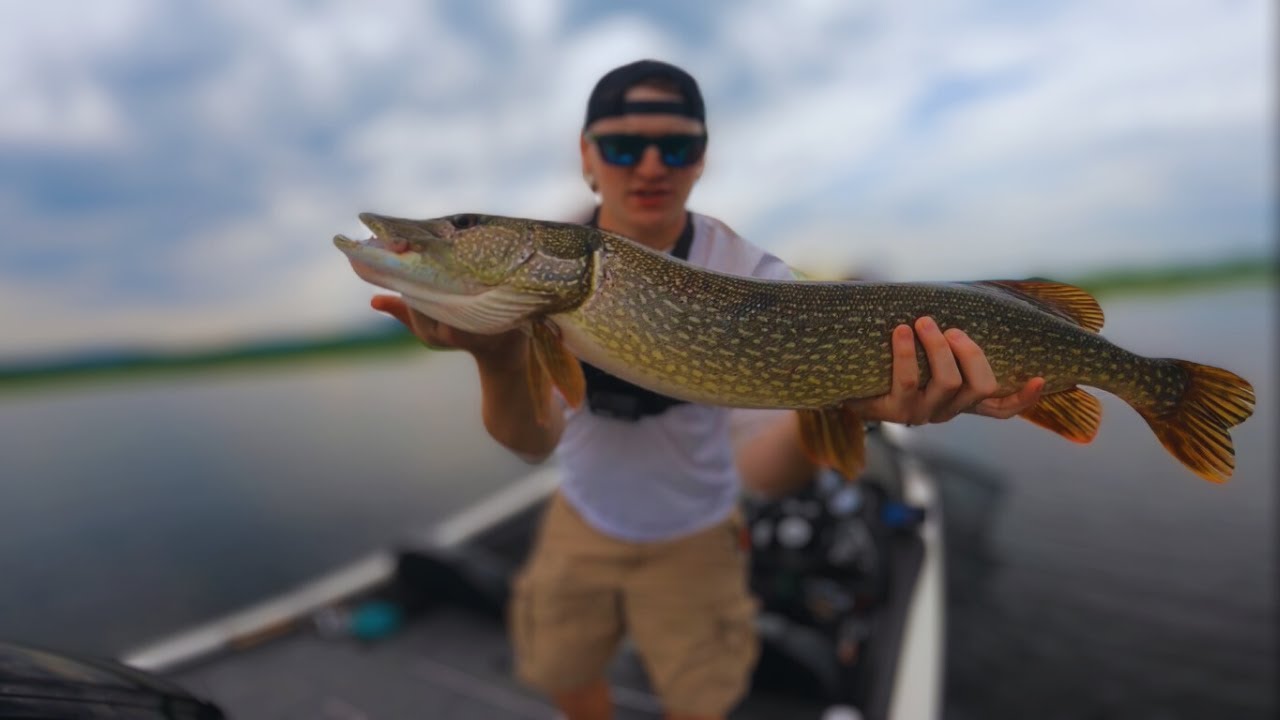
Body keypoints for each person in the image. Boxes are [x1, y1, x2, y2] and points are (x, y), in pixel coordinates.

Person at [368, 60, 1044, 720]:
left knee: (700, 700)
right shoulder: (544, 286)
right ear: (587, 156)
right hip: (582, 517)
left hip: (701, 528)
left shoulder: (748, 274)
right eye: (625, 144)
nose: (652, 163)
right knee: (563, 672)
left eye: (677, 144)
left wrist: (857, 405)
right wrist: (496, 357)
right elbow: (529, 440)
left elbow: (763, 471)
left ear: (700, 158)